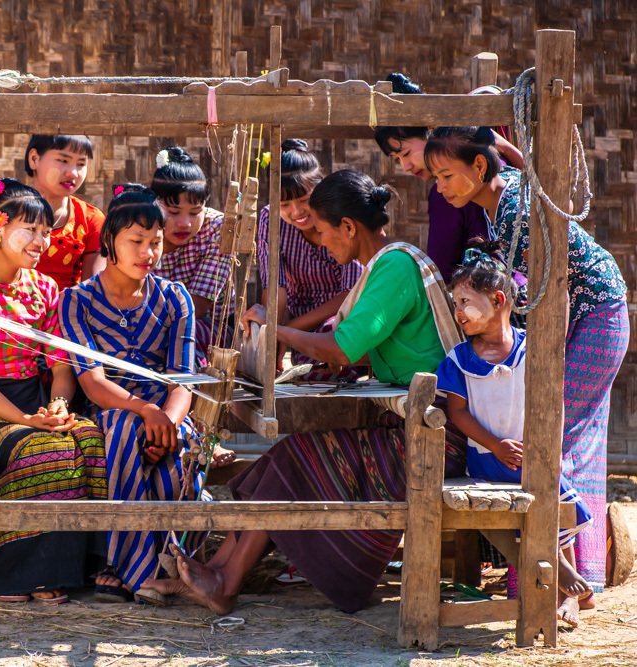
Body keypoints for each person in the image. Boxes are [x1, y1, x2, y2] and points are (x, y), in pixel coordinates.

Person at [141, 169, 466, 614]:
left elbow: (343, 349)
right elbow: (392, 350)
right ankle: (213, 570)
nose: (319, 240)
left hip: (433, 437)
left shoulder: (394, 267)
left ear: (348, 227)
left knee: (297, 460)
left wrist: (279, 332)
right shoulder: (387, 265)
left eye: (323, 229)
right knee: (286, 456)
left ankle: (225, 582)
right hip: (405, 424)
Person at [425, 126, 629, 597]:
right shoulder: (505, 194)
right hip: (587, 315)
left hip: (594, 317)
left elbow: (551, 291)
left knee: (553, 441)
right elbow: (517, 164)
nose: (440, 186)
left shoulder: (515, 207)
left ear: (479, 168)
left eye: (446, 175)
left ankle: (551, 589)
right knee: (562, 444)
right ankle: (563, 579)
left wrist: (540, 361)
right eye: (435, 177)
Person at [0, 178, 107, 604]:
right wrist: (28, 420)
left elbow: (59, 366)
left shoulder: (46, 290)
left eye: (46, 233)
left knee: (86, 437)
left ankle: (82, 569)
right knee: (41, 447)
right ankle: (13, 575)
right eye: (30, 230)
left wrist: (58, 407)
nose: (41, 241)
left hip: (37, 402)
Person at [60, 186, 204, 604]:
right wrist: (146, 412)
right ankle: (132, 568)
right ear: (110, 244)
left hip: (169, 407)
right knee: (124, 430)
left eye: (155, 242)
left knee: (179, 455)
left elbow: (183, 377)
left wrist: (169, 423)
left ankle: (175, 565)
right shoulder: (77, 300)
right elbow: (91, 381)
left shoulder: (176, 298)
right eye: (136, 242)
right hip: (111, 405)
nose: (148, 252)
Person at [436, 246, 593, 626]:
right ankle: (564, 578)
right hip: (488, 461)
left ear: (498, 300)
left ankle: (568, 596)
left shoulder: (533, 349)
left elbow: (549, 401)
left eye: (464, 302)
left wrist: (541, 448)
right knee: (519, 517)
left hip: (532, 458)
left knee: (557, 509)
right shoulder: (457, 359)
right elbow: (456, 413)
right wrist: (495, 445)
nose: (458, 312)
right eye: (454, 303)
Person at [373, 73, 523, 283]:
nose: (405, 166)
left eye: (405, 153)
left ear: (430, 131)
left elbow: (441, 271)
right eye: (396, 159)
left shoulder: (449, 191)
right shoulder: (498, 166)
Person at [251, 139, 362, 371]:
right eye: (284, 205)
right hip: (301, 328)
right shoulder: (269, 219)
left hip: (345, 320)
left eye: (304, 200)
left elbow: (350, 294)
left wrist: (286, 330)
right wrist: (271, 334)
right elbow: (275, 287)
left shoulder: (341, 216)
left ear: (319, 189)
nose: (296, 212)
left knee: (332, 338)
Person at [150, 146, 234, 365]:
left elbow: (199, 306)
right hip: (147, 322)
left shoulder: (218, 228)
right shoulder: (144, 224)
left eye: (195, 213)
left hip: (208, 327)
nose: (184, 223)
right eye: (174, 212)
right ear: (155, 204)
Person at [7, 134, 106, 290]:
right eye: (63, 160)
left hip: (70, 310)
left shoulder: (92, 220)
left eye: (81, 163)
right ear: (34, 159)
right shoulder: (4, 213)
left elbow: (92, 291)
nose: (73, 172)